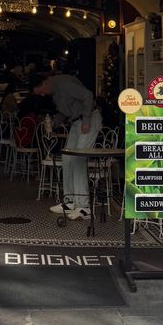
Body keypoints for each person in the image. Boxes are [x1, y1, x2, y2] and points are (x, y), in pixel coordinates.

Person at [32, 73, 101, 220]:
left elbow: (88, 95)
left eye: (42, 92)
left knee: (78, 160)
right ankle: (70, 201)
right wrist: (55, 122)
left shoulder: (63, 83)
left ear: (45, 82)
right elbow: (67, 110)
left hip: (88, 119)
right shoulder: (56, 91)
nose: (44, 95)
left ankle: (84, 207)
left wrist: (87, 120)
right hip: (76, 122)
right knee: (67, 158)